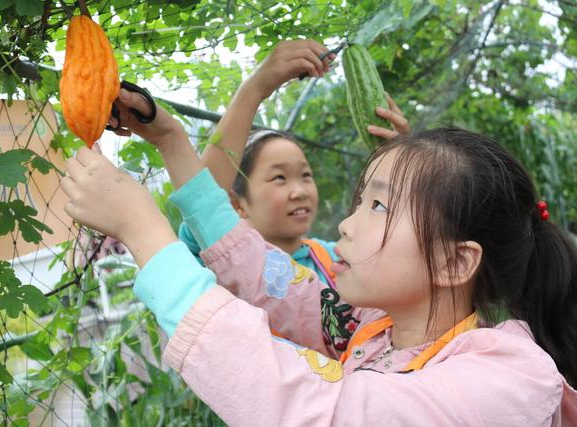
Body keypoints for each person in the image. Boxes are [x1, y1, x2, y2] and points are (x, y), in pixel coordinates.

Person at [62, 100, 577, 424]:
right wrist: (172, 140)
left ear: (454, 263)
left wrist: (142, 230)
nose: (344, 224)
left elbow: (310, 411)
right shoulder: (372, 330)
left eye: (378, 205)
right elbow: (262, 271)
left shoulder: (505, 384)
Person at [107, 39, 410, 351]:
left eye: (306, 175)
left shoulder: (337, 258)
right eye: (279, 178)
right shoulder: (217, 257)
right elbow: (205, 201)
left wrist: (402, 165)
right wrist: (254, 89)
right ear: (236, 204)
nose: (299, 190)